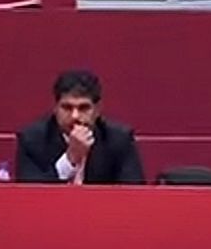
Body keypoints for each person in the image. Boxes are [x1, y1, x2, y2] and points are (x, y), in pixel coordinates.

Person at [16, 70, 145, 184]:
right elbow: (28, 194)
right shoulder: (32, 140)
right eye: (67, 108)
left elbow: (134, 194)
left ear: (97, 109)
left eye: (83, 108)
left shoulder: (119, 140)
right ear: (55, 108)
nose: (75, 116)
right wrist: (69, 160)